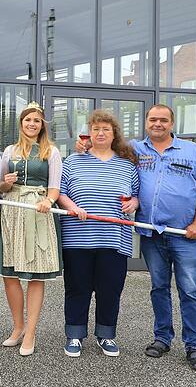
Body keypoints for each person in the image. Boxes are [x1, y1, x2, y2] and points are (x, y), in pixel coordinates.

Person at [133, 105, 196, 371]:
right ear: (146, 122)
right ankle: (162, 338)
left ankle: (195, 346)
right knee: (159, 287)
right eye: (153, 119)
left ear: (172, 123)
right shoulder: (135, 150)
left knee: (190, 290)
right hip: (152, 234)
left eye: (163, 120)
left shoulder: (192, 151)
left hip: (184, 235)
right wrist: (84, 148)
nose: (157, 123)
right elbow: (104, 149)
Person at [57, 109, 140, 359]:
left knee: (110, 289)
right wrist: (73, 207)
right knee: (77, 288)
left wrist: (133, 203)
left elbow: (136, 194)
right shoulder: (73, 161)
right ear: (89, 134)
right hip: (77, 237)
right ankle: (74, 335)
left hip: (114, 238)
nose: (100, 133)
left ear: (114, 133)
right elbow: (60, 193)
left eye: (105, 129)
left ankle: (106, 335)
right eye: (95, 129)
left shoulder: (127, 164)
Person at [0, 102, 63, 356]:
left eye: (36, 121)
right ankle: (18, 327)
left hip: (38, 211)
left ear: (42, 125)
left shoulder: (51, 151)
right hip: (12, 210)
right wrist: (5, 183)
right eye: (28, 120)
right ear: (21, 123)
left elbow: (55, 187)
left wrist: (48, 200)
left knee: (35, 273)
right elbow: (1, 187)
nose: (32, 124)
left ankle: (31, 332)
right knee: (10, 273)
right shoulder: (9, 150)